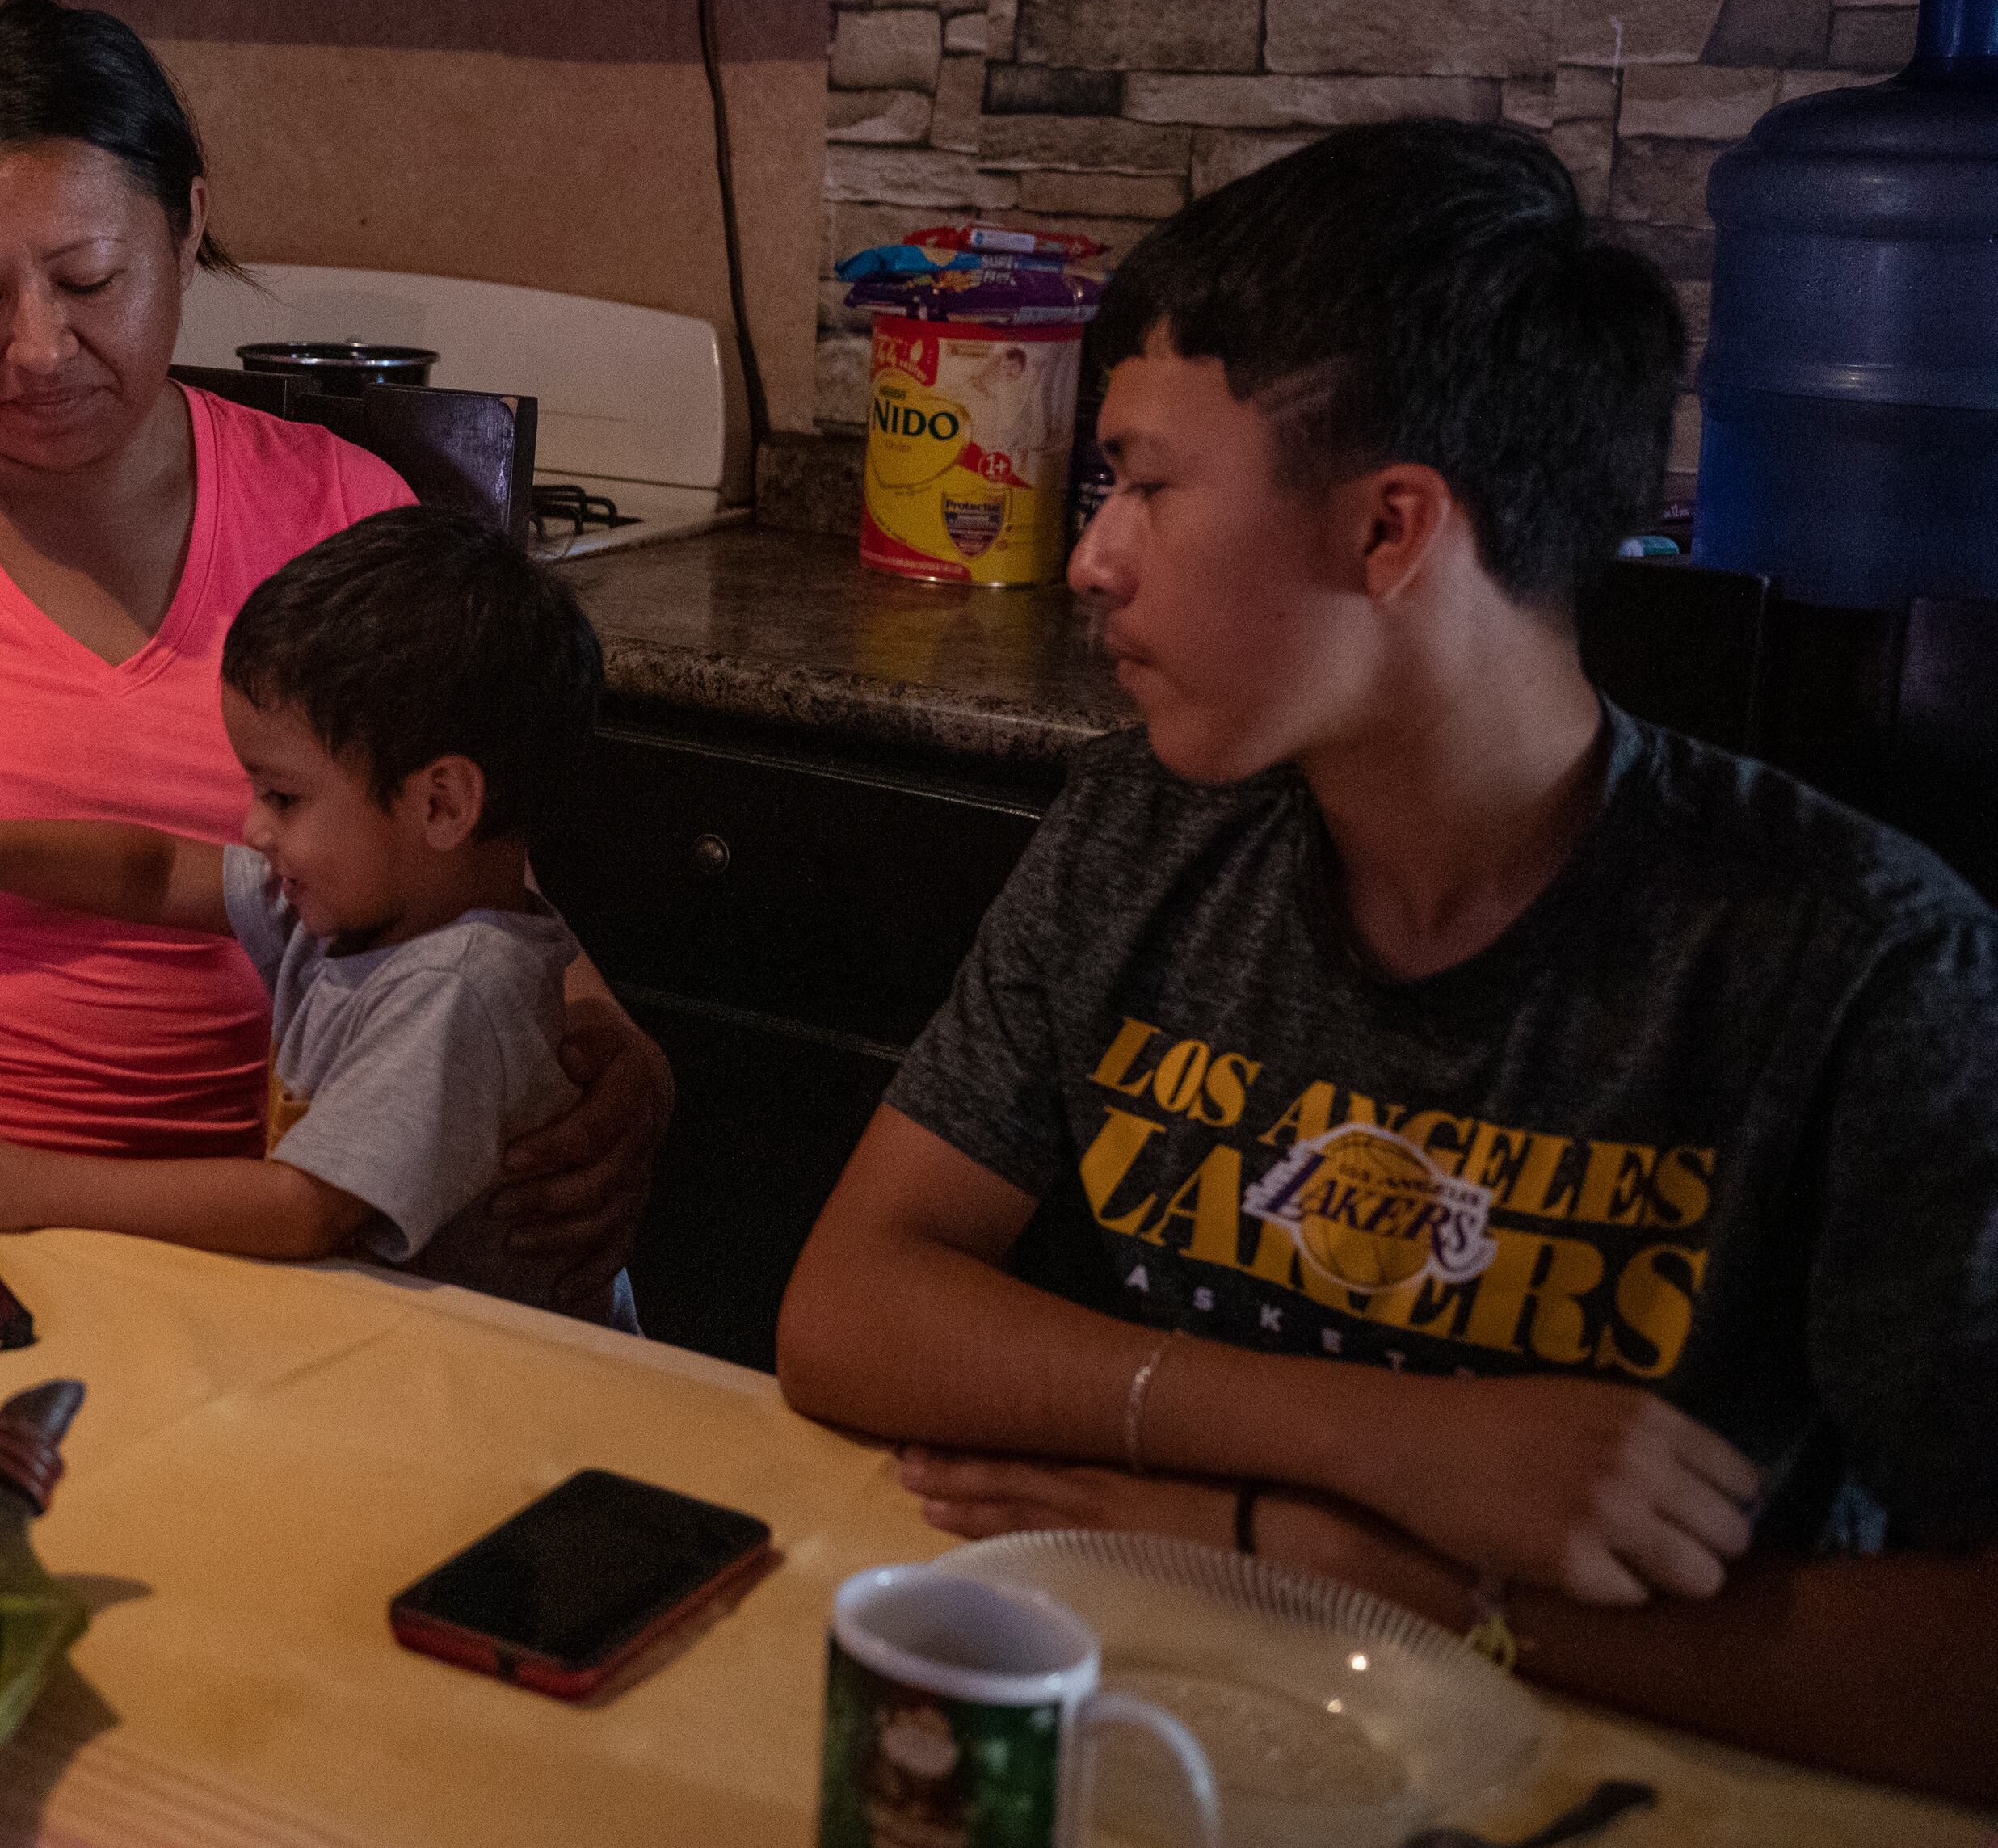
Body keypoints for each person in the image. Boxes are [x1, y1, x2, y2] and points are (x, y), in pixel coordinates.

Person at [774, 120, 1998, 1804]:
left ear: (1388, 530)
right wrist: (1366, 1452)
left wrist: (1397, 1583)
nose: (1089, 558)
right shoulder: (1146, 828)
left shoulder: (1862, 965)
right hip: (1177, 1740)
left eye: (1142, 480)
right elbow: (847, 1310)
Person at [0, 0, 665, 1299]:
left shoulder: (345, 522)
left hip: (272, 1249)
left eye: (91, 282)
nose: (38, 350)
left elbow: (470, 890)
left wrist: (617, 1054)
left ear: (189, 226)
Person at [0, 507, 625, 1320]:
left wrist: (36, 1184)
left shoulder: (458, 982)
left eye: (282, 795)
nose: (252, 826)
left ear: (440, 804)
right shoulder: (367, 902)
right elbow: (154, 872)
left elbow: (303, 1209)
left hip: (500, 1379)